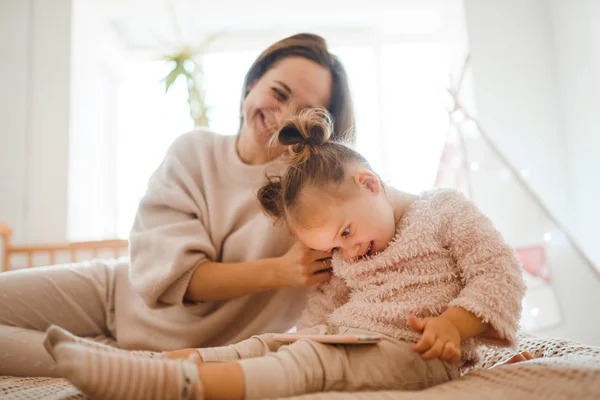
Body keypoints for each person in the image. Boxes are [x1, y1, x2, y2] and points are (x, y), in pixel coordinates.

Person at [44, 108, 527, 400]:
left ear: (370, 183)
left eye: (346, 231)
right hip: (348, 334)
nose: (349, 251)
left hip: (412, 351)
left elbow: (499, 275)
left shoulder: (443, 210)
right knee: (270, 345)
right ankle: (163, 364)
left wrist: (455, 324)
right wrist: (303, 335)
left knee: (314, 366)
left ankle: (185, 389)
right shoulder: (347, 253)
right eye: (335, 245)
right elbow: (322, 308)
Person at [0, 33, 354, 377]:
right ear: (253, 84)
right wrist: (282, 271)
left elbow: (391, 214)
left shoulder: (315, 190)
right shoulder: (193, 151)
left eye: (306, 110)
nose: (283, 117)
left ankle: (123, 363)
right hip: (113, 293)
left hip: (176, 353)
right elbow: (175, 277)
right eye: (278, 93)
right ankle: (118, 360)